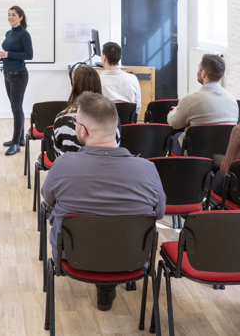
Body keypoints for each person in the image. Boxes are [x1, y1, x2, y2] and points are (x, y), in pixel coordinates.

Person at [41, 92, 166, 311]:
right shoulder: (147, 169)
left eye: (77, 122)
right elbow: (160, 213)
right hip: (132, 256)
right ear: (116, 129)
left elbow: (49, 201)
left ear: (83, 130)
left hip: (73, 255)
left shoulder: (62, 166)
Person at [51, 64, 118, 158]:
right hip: (106, 170)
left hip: (69, 170)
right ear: (98, 85)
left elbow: (57, 155)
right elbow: (116, 148)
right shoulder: (112, 118)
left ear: (74, 86)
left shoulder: (62, 119)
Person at [0, 5, 33, 156]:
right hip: (8, 74)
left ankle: (16, 143)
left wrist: (8, 54)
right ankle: (20, 138)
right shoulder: (8, 33)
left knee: (16, 109)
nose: (10, 17)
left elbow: (29, 55)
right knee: (15, 107)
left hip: (19, 75)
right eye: (8, 14)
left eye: (14, 15)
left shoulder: (24, 34)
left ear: (21, 17)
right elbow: (8, 54)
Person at [167, 53, 238, 130]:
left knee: (175, 137)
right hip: (225, 142)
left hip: (196, 142)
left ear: (203, 73)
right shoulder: (232, 101)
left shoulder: (189, 100)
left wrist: (174, 112)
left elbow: (174, 124)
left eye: (198, 68)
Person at [98, 41, 141, 110]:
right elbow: (137, 108)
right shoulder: (133, 79)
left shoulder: (98, 81)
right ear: (120, 58)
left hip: (106, 120)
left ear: (104, 58)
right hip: (128, 120)